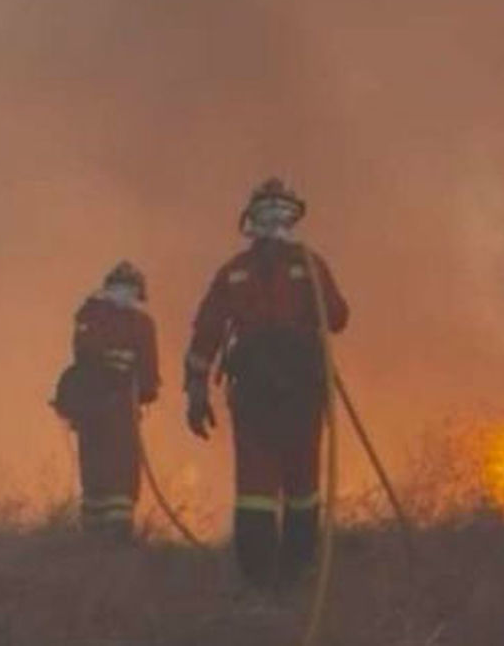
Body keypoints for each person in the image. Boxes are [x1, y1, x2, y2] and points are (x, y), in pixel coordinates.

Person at [183, 177, 349, 589]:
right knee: (255, 489)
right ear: (250, 219)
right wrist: (196, 388)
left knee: (303, 486)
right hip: (254, 394)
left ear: (294, 217)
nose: (274, 220)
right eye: (265, 212)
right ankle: (259, 579)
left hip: (301, 390)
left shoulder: (309, 264)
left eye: (282, 211)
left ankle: (298, 572)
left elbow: (338, 318)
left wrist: (315, 285)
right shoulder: (234, 273)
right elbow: (206, 331)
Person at [52, 260, 159, 539]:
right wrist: (142, 387)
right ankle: (111, 530)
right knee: (115, 468)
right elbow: (147, 376)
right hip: (110, 407)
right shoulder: (130, 321)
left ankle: (102, 530)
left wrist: (143, 388)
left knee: (103, 467)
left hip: (100, 407)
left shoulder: (94, 314)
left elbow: (146, 374)